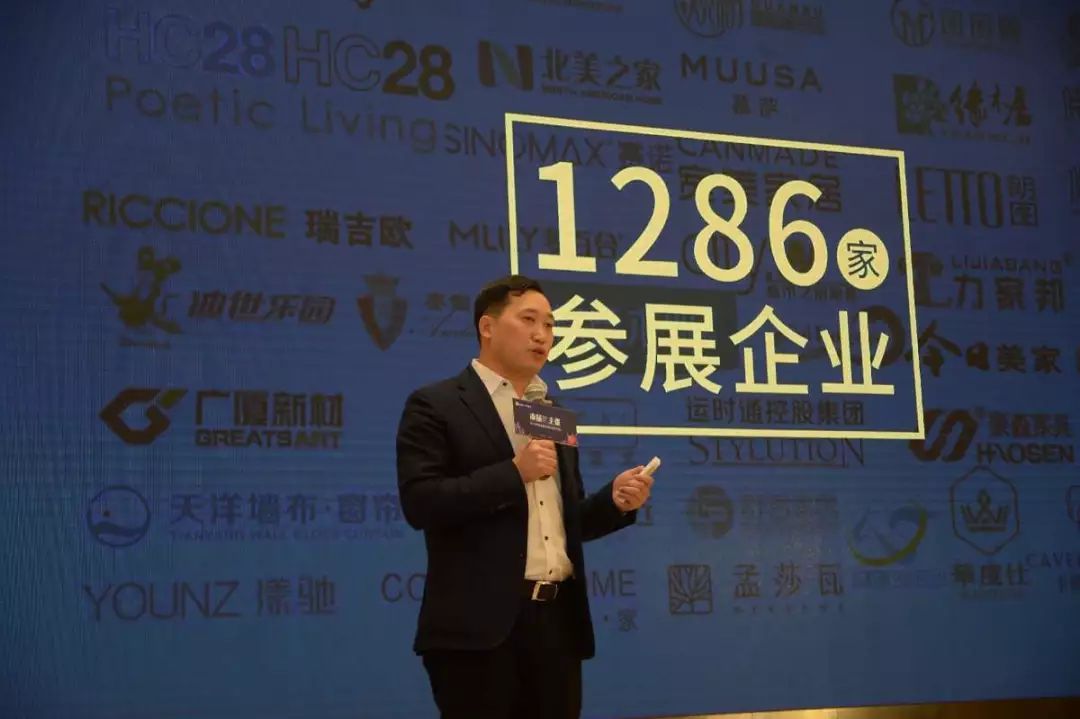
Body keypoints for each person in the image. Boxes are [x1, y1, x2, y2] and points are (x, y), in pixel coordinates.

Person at [395, 274, 654, 719]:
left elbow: (564, 522)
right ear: (487, 327)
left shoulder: (551, 411)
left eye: (550, 325)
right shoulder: (437, 404)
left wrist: (613, 502)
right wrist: (513, 474)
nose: (542, 335)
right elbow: (422, 502)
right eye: (529, 320)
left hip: (556, 627)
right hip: (479, 632)